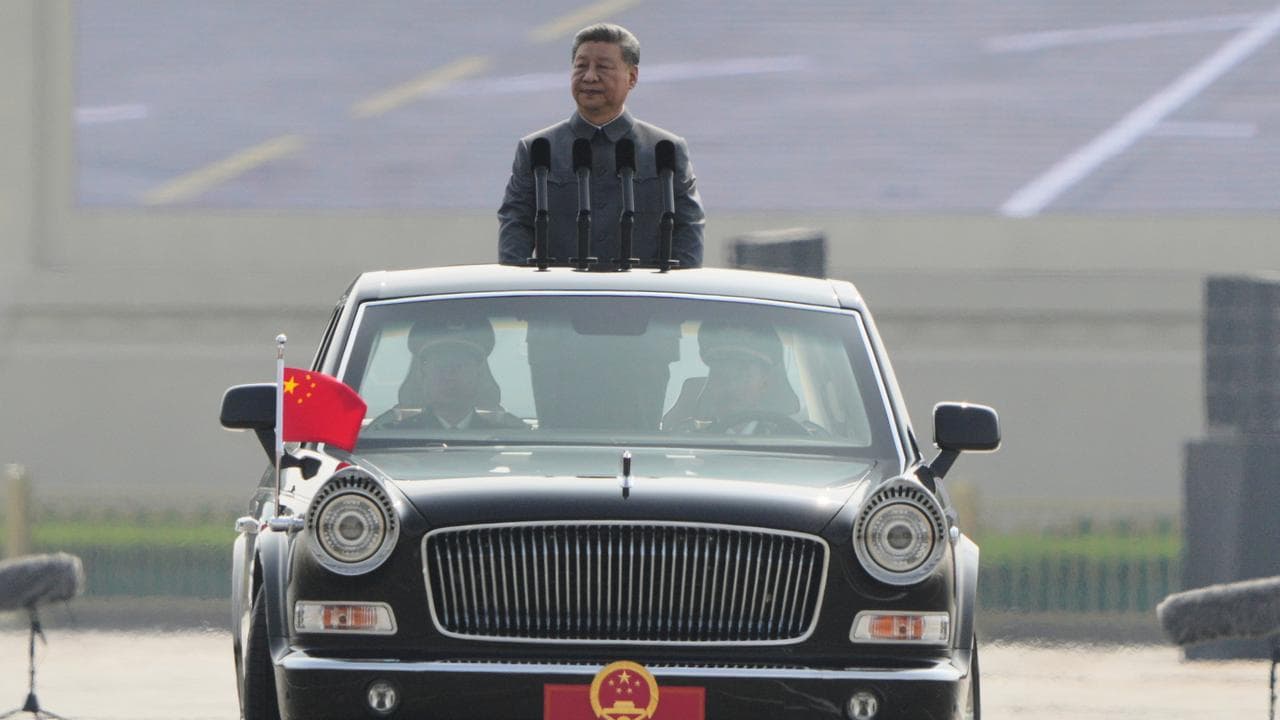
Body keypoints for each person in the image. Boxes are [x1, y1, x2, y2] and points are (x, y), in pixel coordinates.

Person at [498, 23, 704, 268]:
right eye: (581, 66)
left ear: (632, 76)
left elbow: (688, 230)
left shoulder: (664, 149)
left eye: (603, 67)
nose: (589, 76)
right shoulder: (538, 149)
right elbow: (515, 229)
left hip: (641, 300)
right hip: (561, 299)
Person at [369, 314, 525, 431]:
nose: (450, 376)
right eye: (441, 367)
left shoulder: (512, 440)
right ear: (423, 375)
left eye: (460, 366)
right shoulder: (391, 438)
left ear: (479, 374)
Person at [662, 321, 806, 435]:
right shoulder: (685, 440)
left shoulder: (790, 440)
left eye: (743, 375)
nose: (731, 386)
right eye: (721, 374)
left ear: (764, 383)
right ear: (710, 382)